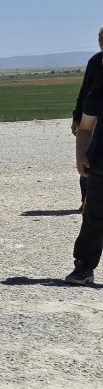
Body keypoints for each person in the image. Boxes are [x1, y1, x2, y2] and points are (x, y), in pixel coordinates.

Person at [67, 83, 103, 285]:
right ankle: (84, 268)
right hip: (100, 165)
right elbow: (86, 127)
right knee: (94, 218)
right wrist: (80, 155)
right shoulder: (98, 94)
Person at [70, 26, 103, 208]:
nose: (101, 41)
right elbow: (85, 92)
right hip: (92, 118)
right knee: (88, 157)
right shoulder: (95, 62)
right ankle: (86, 199)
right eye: (99, 37)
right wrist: (77, 118)